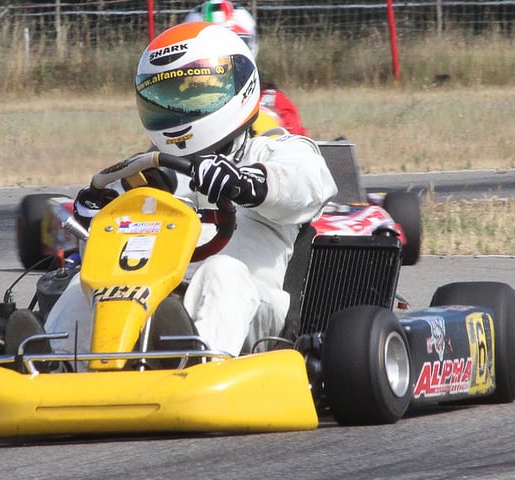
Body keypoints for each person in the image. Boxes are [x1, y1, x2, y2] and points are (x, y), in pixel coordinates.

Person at [43, 22, 337, 359]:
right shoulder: (154, 171)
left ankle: (199, 364)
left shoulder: (270, 152)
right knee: (90, 282)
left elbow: (312, 183)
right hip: (157, 298)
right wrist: (101, 220)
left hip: (254, 310)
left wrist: (248, 183)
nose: (180, 109)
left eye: (196, 93)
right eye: (167, 99)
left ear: (239, 86)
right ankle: (53, 364)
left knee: (219, 273)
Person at [184, 0, 310, 136]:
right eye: (209, 48)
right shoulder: (176, 102)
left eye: (230, 47)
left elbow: (301, 149)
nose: (221, 60)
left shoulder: (273, 103)